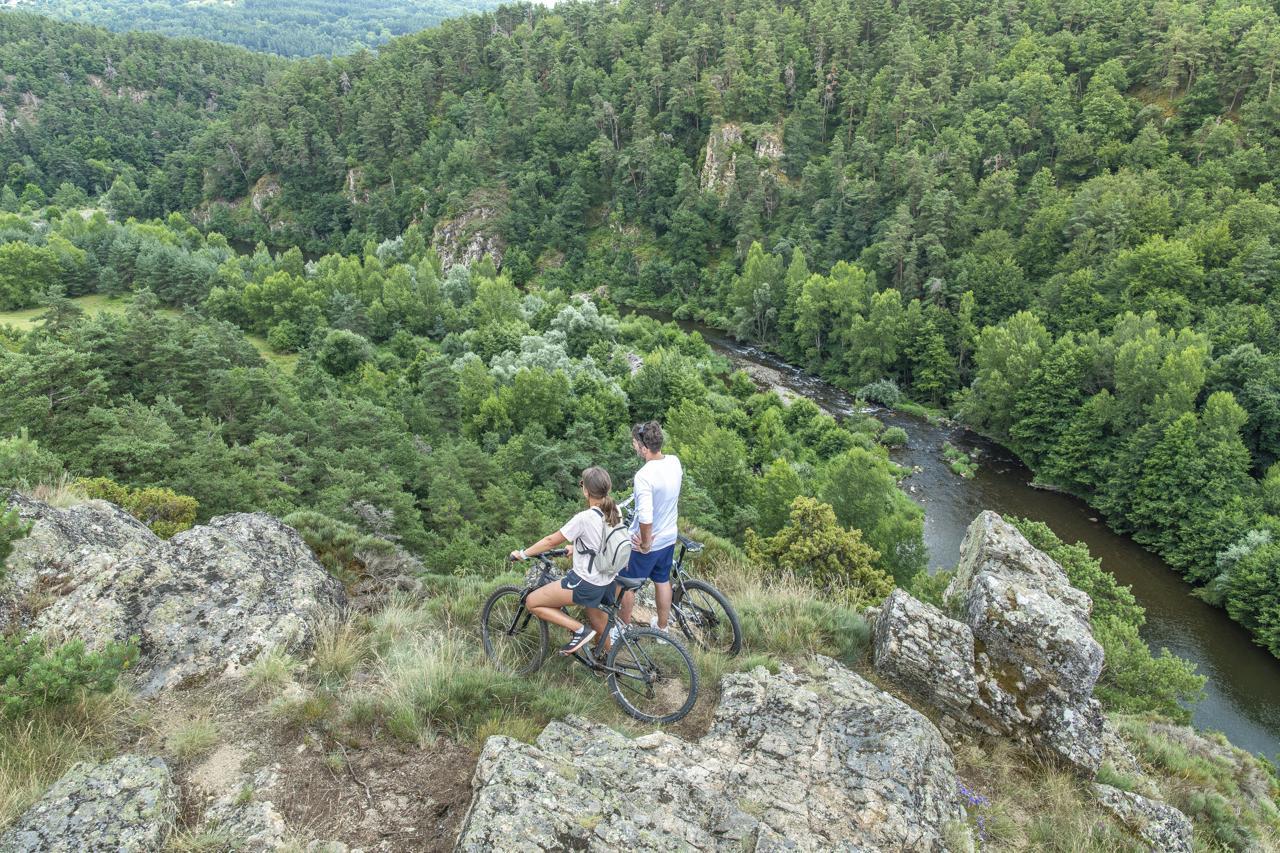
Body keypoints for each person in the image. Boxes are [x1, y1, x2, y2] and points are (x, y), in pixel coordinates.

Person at [511, 467, 622, 656]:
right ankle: (608, 663)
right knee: (600, 625)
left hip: (587, 583)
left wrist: (523, 554)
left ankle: (579, 630)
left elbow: (550, 542)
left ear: (586, 490)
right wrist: (577, 548)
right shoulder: (614, 509)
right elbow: (602, 542)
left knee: (532, 601)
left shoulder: (583, 518)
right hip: (609, 580)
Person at [618, 421, 683, 632]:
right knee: (662, 580)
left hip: (647, 542)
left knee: (625, 585)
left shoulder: (644, 476)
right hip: (668, 535)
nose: (633, 446)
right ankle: (662, 629)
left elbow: (646, 517)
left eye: (635, 443)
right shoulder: (674, 462)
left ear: (644, 448)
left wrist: (645, 544)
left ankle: (622, 629)